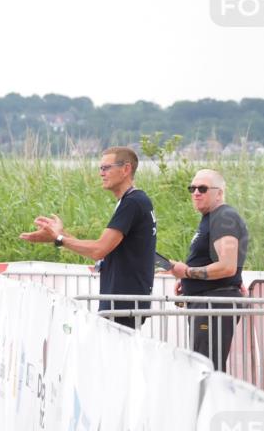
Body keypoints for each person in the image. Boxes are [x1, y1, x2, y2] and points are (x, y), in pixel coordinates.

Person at [20, 146, 156, 329]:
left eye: (106, 168)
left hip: (124, 303)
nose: (101, 173)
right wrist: (58, 235)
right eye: (100, 168)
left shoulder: (132, 203)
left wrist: (60, 239)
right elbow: (100, 248)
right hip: (122, 301)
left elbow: (98, 250)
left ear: (126, 169)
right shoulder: (132, 201)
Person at [168, 169, 249, 370]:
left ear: (219, 193)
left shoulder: (223, 217)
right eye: (192, 188)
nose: (196, 192)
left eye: (203, 188)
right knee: (203, 365)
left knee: (207, 368)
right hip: (206, 303)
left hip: (214, 304)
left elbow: (228, 266)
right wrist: (187, 280)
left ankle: (212, 402)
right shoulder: (212, 218)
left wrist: (187, 273)